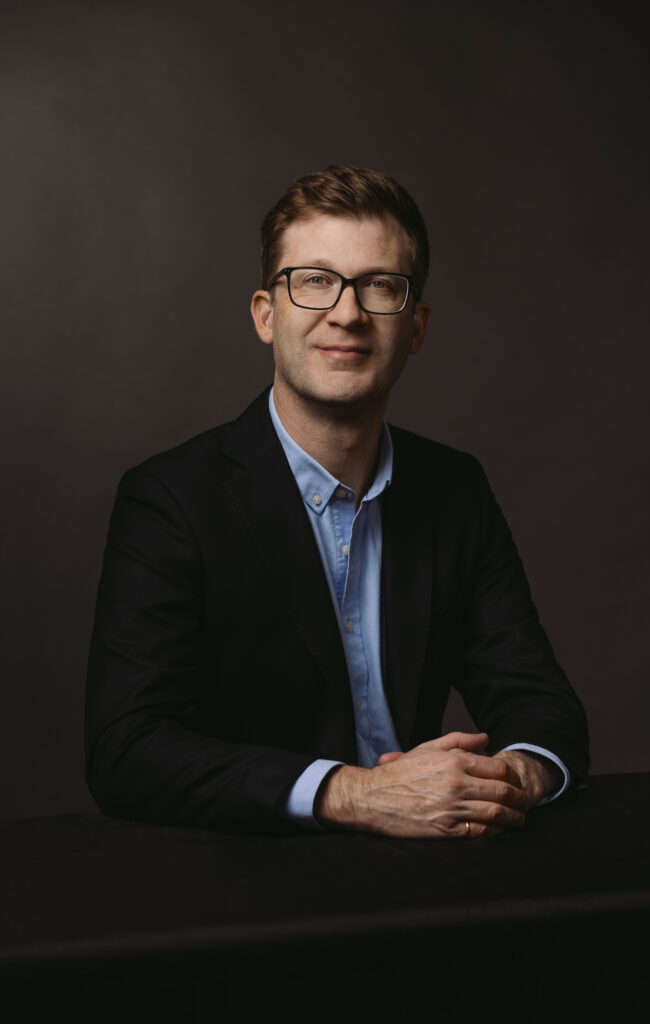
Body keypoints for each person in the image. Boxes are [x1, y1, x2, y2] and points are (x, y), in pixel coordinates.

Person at [85, 165, 589, 839]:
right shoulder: (170, 499)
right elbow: (127, 751)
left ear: (416, 325)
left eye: (379, 285)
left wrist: (510, 778)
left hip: (431, 861)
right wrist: (357, 794)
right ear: (267, 315)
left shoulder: (453, 489)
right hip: (252, 877)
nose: (347, 313)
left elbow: (540, 703)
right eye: (315, 281)